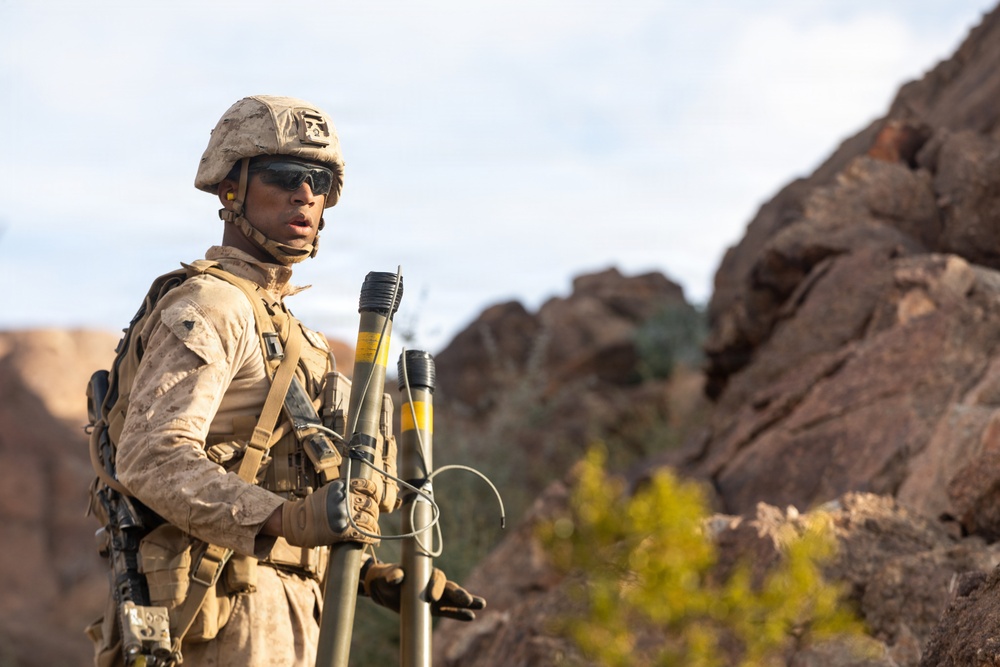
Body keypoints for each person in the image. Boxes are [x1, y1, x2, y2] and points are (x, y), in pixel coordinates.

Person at [88, 95, 484, 666]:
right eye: (285, 175)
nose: (306, 194)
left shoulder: (302, 339)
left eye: (321, 182)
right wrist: (287, 519)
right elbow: (153, 459)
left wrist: (370, 574)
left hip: (296, 613)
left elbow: (294, 504)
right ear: (232, 188)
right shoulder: (212, 304)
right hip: (214, 611)